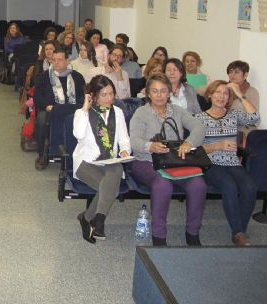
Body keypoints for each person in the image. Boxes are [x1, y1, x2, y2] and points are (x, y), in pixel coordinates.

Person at [129, 74, 206, 247]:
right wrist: (151, 146)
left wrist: (189, 142)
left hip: (175, 162)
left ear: (169, 93)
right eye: (154, 91)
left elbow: (199, 127)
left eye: (163, 91)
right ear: (148, 93)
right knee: (163, 184)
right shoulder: (141, 113)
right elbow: (134, 142)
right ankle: (159, 236)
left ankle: (192, 233)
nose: (159, 95)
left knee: (198, 184)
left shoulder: (177, 111)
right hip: (146, 161)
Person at [194, 80, 259, 246]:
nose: (221, 96)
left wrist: (240, 94)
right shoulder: (199, 118)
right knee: (229, 186)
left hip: (232, 163)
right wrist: (218, 145)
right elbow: (195, 149)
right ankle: (239, 233)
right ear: (210, 94)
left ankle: (239, 231)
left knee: (250, 186)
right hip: (210, 164)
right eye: (218, 92)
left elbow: (255, 116)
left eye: (225, 93)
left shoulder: (233, 115)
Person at [73, 76, 131, 243]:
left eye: (111, 94)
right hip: (86, 163)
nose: (109, 98)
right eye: (104, 95)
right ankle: (92, 219)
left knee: (117, 169)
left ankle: (94, 218)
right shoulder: (82, 113)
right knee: (112, 188)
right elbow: (78, 134)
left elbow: (124, 139)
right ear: (94, 96)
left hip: (109, 162)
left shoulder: (118, 113)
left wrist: (125, 151)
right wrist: (85, 107)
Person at [33, 48, 85, 170]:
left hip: (72, 110)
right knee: (41, 120)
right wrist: (46, 105)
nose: (56, 63)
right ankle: (42, 154)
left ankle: (76, 153)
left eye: (60, 60)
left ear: (67, 61)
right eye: (53, 60)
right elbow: (37, 95)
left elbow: (83, 97)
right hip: (51, 109)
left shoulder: (77, 77)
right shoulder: (45, 76)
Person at [226, 60, 260, 144]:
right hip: (225, 128)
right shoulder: (224, 89)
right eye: (230, 72)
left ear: (245, 75)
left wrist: (239, 93)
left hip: (244, 129)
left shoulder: (252, 91)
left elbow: (255, 118)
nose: (232, 75)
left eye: (236, 72)